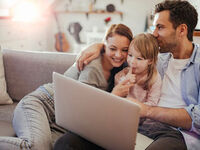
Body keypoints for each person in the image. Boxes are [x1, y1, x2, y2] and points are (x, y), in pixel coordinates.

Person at [76, 1, 200, 150]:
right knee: (72, 141)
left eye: (160, 27)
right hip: (138, 124)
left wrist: (146, 110)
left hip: (175, 133)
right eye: (154, 27)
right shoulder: (156, 58)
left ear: (182, 30)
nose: (154, 33)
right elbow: (127, 55)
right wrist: (101, 47)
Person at [0, 23, 133, 150]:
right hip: (41, 104)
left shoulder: (121, 68)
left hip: (61, 123)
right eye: (113, 48)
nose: (118, 55)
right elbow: (82, 110)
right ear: (104, 45)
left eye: (125, 50)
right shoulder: (93, 66)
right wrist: (114, 95)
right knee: (37, 147)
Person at [54, 33, 163, 150]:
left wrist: (134, 108)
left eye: (139, 58)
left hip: (141, 127)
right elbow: (114, 104)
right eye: (130, 55)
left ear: (150, 61)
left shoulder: (155, 79)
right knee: (64, 142)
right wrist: (124, 83)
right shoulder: (121, 75)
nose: (132, 62)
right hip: (117, 123)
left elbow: (151, 107)